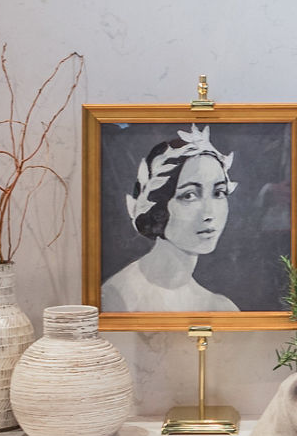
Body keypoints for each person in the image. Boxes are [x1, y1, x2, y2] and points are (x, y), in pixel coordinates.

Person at [101, 124, 240, 312]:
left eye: (218, 192)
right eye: (189, 195)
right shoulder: (117, 297)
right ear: (158, 206)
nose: (209, 214)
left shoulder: (220, 307)